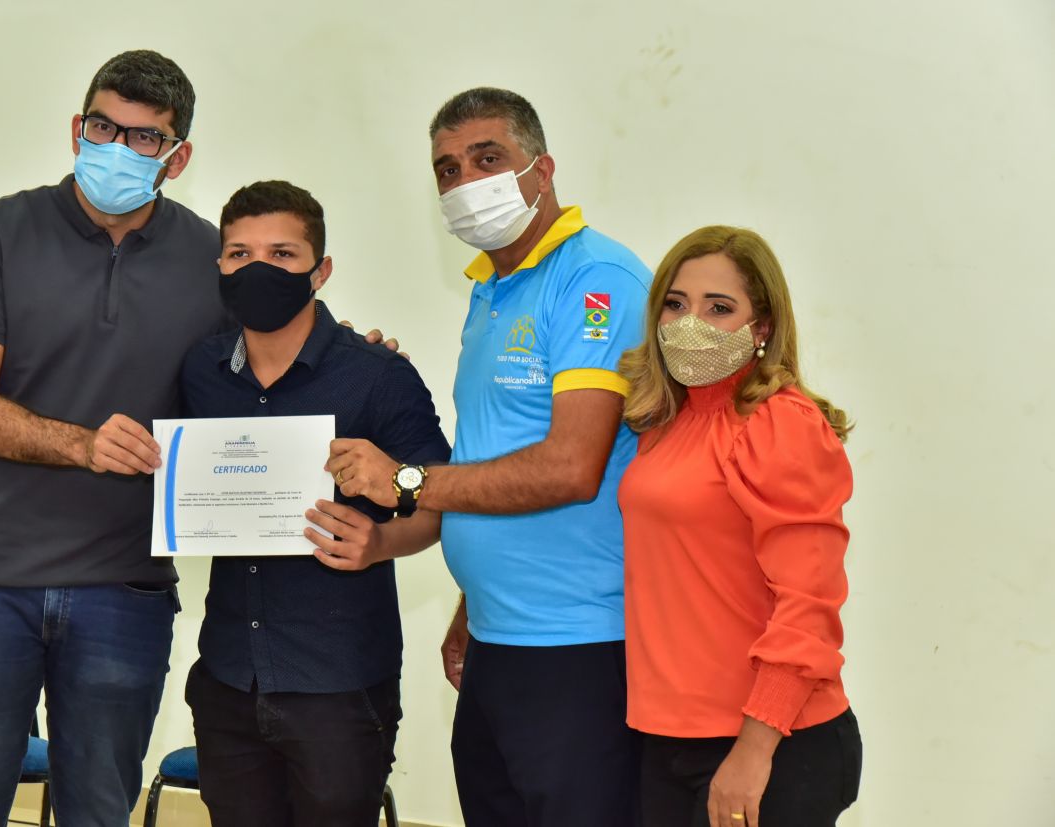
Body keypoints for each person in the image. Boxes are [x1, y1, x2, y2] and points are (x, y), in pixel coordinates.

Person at [0, 51, 395, 825]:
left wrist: (360, 356)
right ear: (77, 129)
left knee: (100, 809)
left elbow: (276, 359)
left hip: (125, 589)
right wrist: (81, 444)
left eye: (145, 137)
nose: (118, 148)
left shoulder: (212, 260)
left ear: (177, 156)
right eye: (104, 127)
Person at [325, 87, 650, 826]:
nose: (465, 181)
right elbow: (499, 453)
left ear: (543, 169)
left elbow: (570, 467)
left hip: (577, 645)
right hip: (498, 641)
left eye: (487, 158)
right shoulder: (489, 292)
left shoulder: (595, 280)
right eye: (447, 169)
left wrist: (405, 479)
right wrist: (475, 600)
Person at [179, 180, 451, 827]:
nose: (259, 269)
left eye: (282, 254)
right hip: (228, 677)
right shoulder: (198, 371)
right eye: (240, 254)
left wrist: (381, 542)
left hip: (339, 685)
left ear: (320, 271)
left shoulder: (378, 375)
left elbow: (440, 499)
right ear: (220, 267)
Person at [616, 226, 862, 827]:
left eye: (719, 308)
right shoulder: (664, 423)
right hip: (669, 737)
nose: (689, 324)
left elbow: (808, 605)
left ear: (763, 327)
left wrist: (754, 751)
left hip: (768, 744)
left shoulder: (780, 423)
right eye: (675, 304)